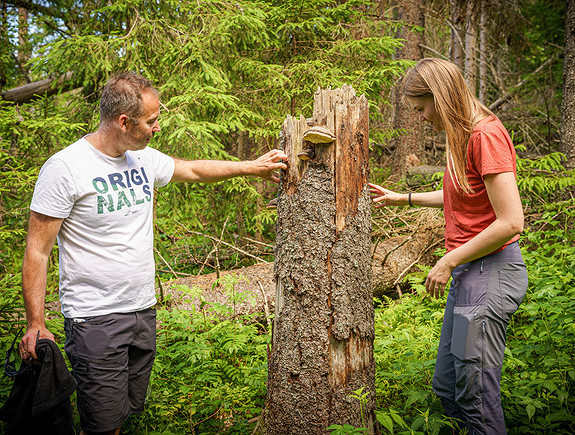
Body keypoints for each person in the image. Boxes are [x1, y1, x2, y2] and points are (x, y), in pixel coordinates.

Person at [18, 72, 288, 435]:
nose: (157, 127)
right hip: (95, 319)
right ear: (124, 122)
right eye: (151, 121)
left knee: (122, 416)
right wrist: (36, 323)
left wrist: (250, 167)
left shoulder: (140, 159)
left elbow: (191, 169)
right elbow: (37, 251)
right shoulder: (66, 168)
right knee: (102, 427)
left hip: (143, 311)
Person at [370, 58, 528, 434]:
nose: (421, 117)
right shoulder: (465, 136)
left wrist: (448, 259)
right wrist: (403, 198)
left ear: (439, 98)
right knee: (450, 388)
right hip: (470, 274)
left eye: (421, 108)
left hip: (489, 274)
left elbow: (510, 221)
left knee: (474, 392)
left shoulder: (484, 136)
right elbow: (463, 194)